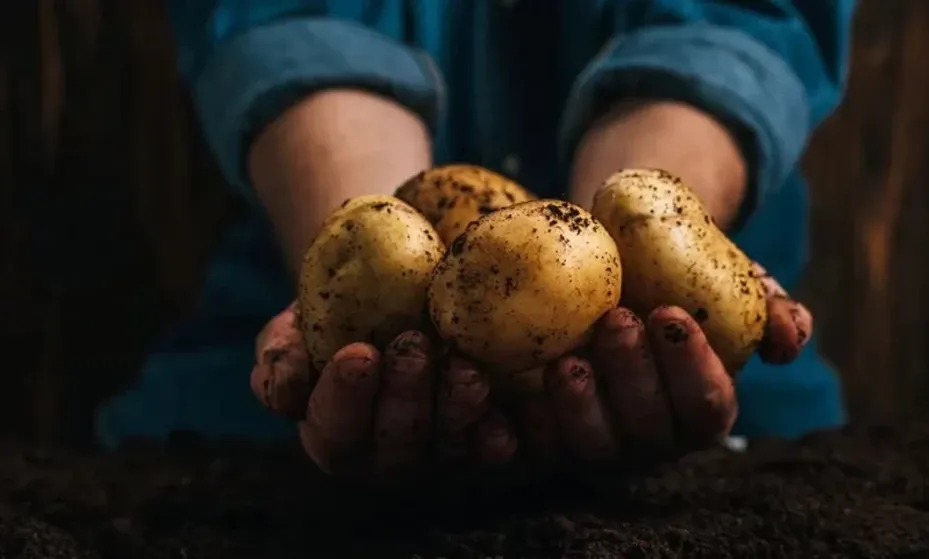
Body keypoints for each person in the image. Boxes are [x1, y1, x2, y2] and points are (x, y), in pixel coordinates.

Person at [97, 0, 856, 479]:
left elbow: (742, 19)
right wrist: (375, 279)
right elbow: (285, 19)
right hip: (264, 431)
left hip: (712, 412)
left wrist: (628, 248)